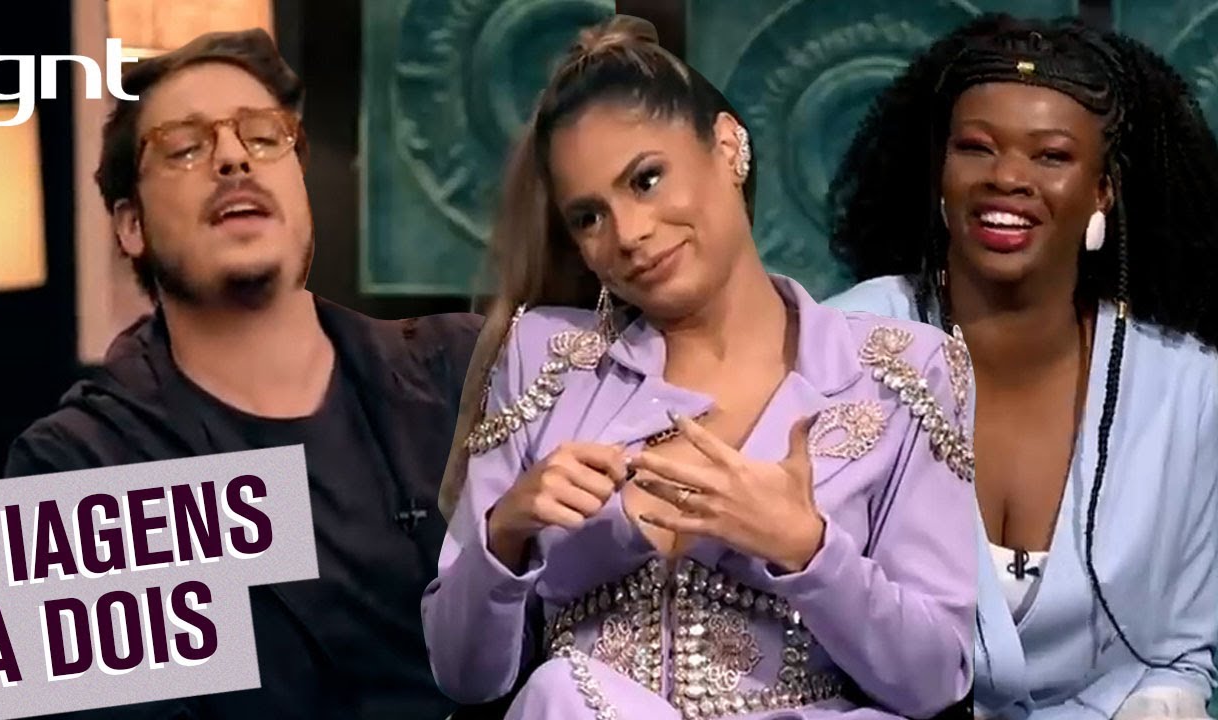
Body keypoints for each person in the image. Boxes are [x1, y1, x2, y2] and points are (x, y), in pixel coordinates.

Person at [423, 15, 976, 720]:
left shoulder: (904, 371)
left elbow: (935, 678)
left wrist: (805, 549)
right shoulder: (544, 360)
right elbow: (463, 676)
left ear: (728, 146)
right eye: (589, 217)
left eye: (647, 180)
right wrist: (505, 533)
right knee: (559, 691)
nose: (629, 234)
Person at [3, 29, 482, 719]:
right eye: (184, 147)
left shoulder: (462, 368)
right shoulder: (74, 465)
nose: (232, 157)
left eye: (263, 136)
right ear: (132, 226)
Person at [824, 13, 1218, 719]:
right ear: (939, 172)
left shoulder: (1189, 390)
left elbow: (1181, 655)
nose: (1007, 176)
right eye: (975, 148)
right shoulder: (843, 345)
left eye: (1051, 156)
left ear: (1104, 190)